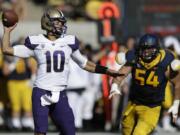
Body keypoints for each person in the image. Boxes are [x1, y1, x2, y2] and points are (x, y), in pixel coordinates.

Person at [1, 8, 121, 135]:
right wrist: (7, 31)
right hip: (41, 92)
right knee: (40, 132)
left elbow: (85, 64)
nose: (61, 25)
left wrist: (107, 71)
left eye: (62, 22)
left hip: (60, 94)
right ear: (47, 23)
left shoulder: (69, 41)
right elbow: (6, 49)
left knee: (69, 132)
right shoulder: (35, 42)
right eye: (58, 22)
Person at [109, 34, 180, 135]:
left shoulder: (164, 62)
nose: (146, 52)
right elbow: (120, 74)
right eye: (144, 48)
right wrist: (115, 85)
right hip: (133, 103)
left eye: (149, 49)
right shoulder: (135, 58)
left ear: (156, 49)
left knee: (139, 133)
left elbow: (178, 83)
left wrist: (176, 103)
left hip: (151, 107)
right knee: (126, 131)